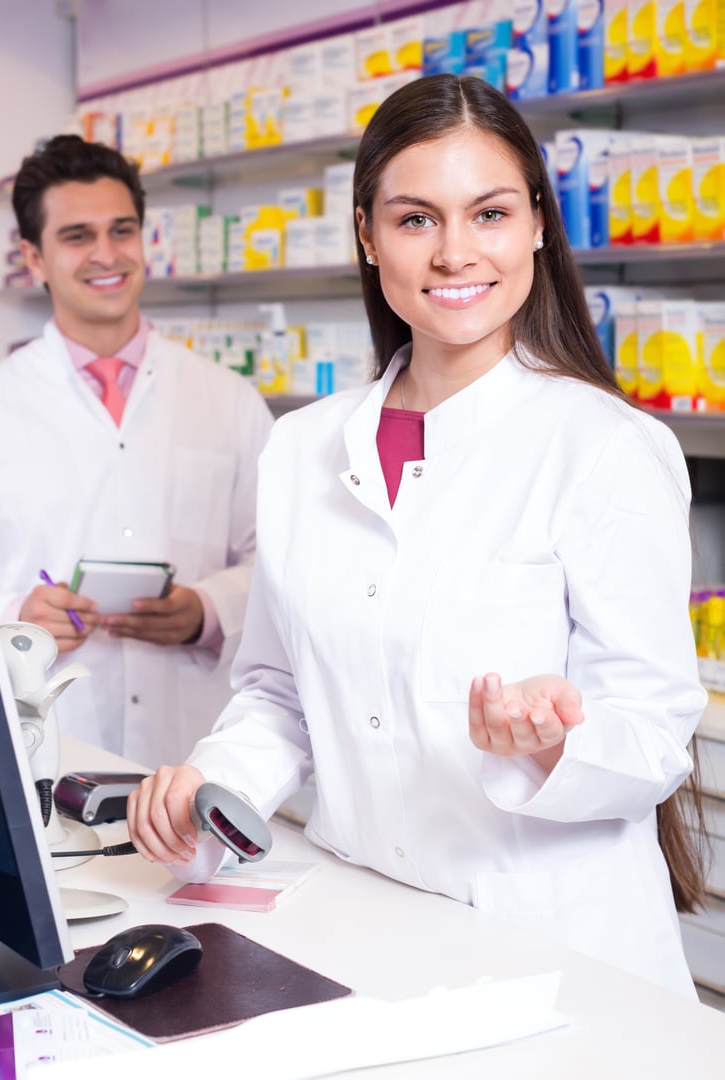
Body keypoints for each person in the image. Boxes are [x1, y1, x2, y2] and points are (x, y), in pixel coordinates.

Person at [126, 74, 708, 997]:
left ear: (535, 228)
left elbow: (654, 733)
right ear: (366, 236)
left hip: (554, 952)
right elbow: (279, 692)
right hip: (360, 925)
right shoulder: (302, 447)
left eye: (488, 214)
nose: (453, 253)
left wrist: (550, 743)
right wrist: (208, 783)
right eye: (414, 219)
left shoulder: (605, 447)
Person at [0, 135, 274, 765]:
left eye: (122, 230)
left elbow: (276, 562)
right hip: (47, 745)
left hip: (197, 752)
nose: (106, 255)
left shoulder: (230, 399)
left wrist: (207, 609)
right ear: (35, 258)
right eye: (77, 235)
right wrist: (17, 617)